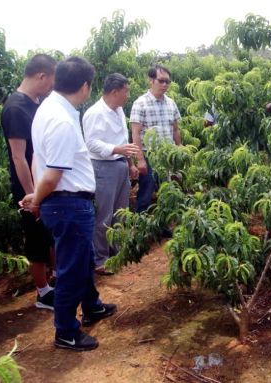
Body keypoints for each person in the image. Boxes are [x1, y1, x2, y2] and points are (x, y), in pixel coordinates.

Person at [20, 57, 117, 351]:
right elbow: (53, 172)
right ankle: (65, 330)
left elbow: (40, 159)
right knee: (72, 268)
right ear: (85, 86)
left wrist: (37, 194)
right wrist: (37, 198)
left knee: (83, 259)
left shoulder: (51, 109)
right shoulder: (61, 118)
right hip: (68, 204)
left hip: (66, 202)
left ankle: (92, 305)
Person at [1, 54, 57, 310]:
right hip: (29, 187)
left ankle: (53, 280)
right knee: (35, 237)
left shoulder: (36, 103)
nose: (52, 88)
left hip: (43, 181)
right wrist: (31, 195)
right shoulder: (16, 107)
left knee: (49, 235)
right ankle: (42, 292)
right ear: (41, 76)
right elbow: (18, 156)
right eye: (51, 81)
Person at [83, 73, 139, 275]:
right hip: (103, 168)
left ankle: (118, 252)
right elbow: (92, 143)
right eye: (126, 91)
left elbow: (124, 138)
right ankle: (100, 259)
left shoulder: (118, 110)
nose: (127, 95)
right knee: (104, 215)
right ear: (115, 92)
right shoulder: (95, 113)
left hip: (120, 165)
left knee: (120, 212)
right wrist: (117, 150)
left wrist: (129, 163)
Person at [130, 65, 181, 213]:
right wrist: (140, 159)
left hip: (168, 156)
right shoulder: (140, 103)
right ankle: (141, 227)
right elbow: (135, 133)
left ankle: (163, 226)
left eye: (167, 82)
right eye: (161, 81)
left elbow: (176, 129)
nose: (165, 84)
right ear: (151, 80)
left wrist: (180, 151)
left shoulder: (171, 103)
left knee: (167, 193)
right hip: (149, 156)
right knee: (146, 193)